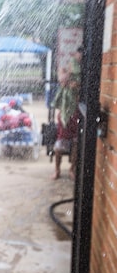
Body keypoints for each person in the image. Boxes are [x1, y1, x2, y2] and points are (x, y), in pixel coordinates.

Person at [51, 46, 82, 180]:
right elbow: (62, 81)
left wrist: (74, 82)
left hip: (76, 111)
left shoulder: (83, 72)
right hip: (64, 112)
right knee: (59, 144)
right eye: (78, 54)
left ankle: (71, 169)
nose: (79, 57)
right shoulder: (65, 68)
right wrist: (69, 71)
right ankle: (57, 170)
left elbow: (78, 85)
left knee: (76, 143)